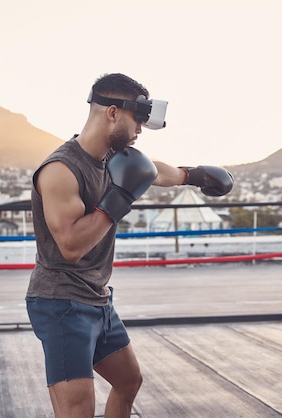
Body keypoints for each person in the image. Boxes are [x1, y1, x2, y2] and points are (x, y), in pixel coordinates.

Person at [26, 73, 233, 418]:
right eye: (137, 120)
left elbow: (152, 170)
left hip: (97, 299)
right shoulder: (61, 169)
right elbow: (71, 246)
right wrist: (120, 197)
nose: (139, 129)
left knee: (128, 381)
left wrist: (193, 176)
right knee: (77, 411)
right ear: (112, 112)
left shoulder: (112, 159)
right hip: (61, 302)